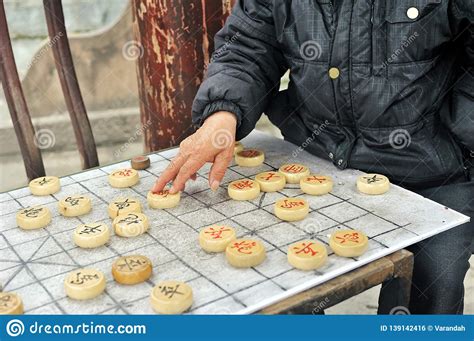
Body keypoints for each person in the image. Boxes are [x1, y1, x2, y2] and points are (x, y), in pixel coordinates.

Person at [152, 0, 473, 314]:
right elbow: (248, 45)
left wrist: (457, 133)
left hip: (431, 168)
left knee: (431, 290)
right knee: (281, 283)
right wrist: (223, 111)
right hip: (315, 157)